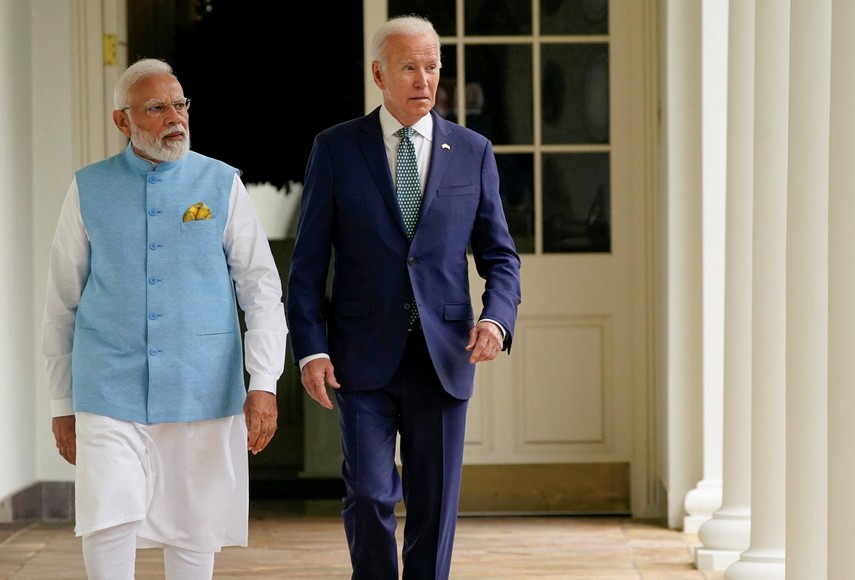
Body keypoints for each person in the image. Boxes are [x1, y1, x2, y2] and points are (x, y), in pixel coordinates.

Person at [285, 14, 522, 580]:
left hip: (444, 355)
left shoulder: (473, 151)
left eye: (432, 67)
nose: (424, 79)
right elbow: (307, 266)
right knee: (368, 493)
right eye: (409, 67)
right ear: (378, 74)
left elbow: (500, 257)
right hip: (360, 356)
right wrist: (311, 350)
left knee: (434, 507)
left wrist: (496, 319)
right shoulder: (337, 150)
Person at [41, 57, 287, 580]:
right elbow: (61, 300)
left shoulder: (221, 184)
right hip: (107, 386)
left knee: (194, 527)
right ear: (122, 121)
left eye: (180, 104)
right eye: (156, 107)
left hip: (202, 386)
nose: (174, 117)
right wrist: (62, 402)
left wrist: (263, 382)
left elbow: (261, 288)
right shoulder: (87, 189)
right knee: (106, 519)